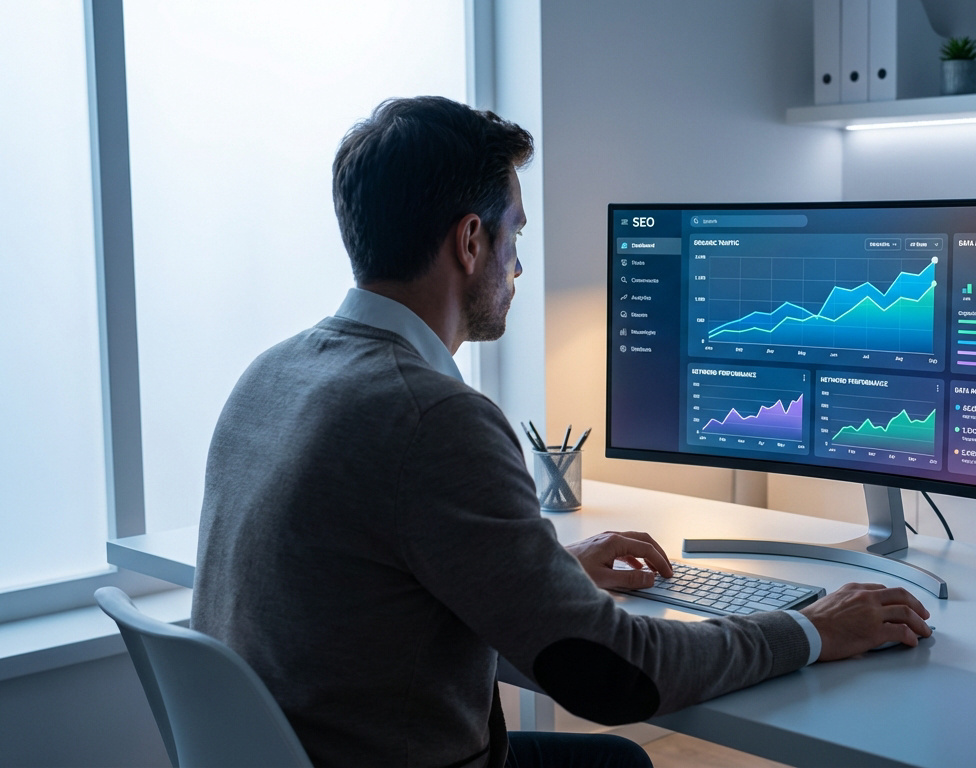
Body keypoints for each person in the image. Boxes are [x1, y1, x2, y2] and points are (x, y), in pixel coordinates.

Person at [190, 96, 931, 768]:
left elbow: (378, 584)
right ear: (470, 241)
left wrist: (549, 572)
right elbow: (614, 677)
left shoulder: (271, 373)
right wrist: (811, 629)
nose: (519, 262)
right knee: (625, 760)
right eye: (516, 230)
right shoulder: (430, 418)